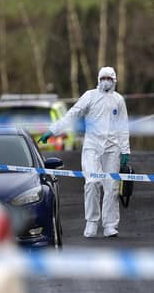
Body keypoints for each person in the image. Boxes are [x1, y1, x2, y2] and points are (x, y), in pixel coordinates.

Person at [40, 66, 130, 238]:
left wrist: (125, 150)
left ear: (114, 80)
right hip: (92, 147)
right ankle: (91, 222)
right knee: (92, 183)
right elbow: (72, 114)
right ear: (98, 79)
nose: (106, 81)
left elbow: (123, 126)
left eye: (109, 78)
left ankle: (110, 225)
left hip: (112, 148)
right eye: (103, 78)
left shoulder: (118, 100)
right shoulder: (89, 96)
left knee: (111, 187)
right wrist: (53, 130)